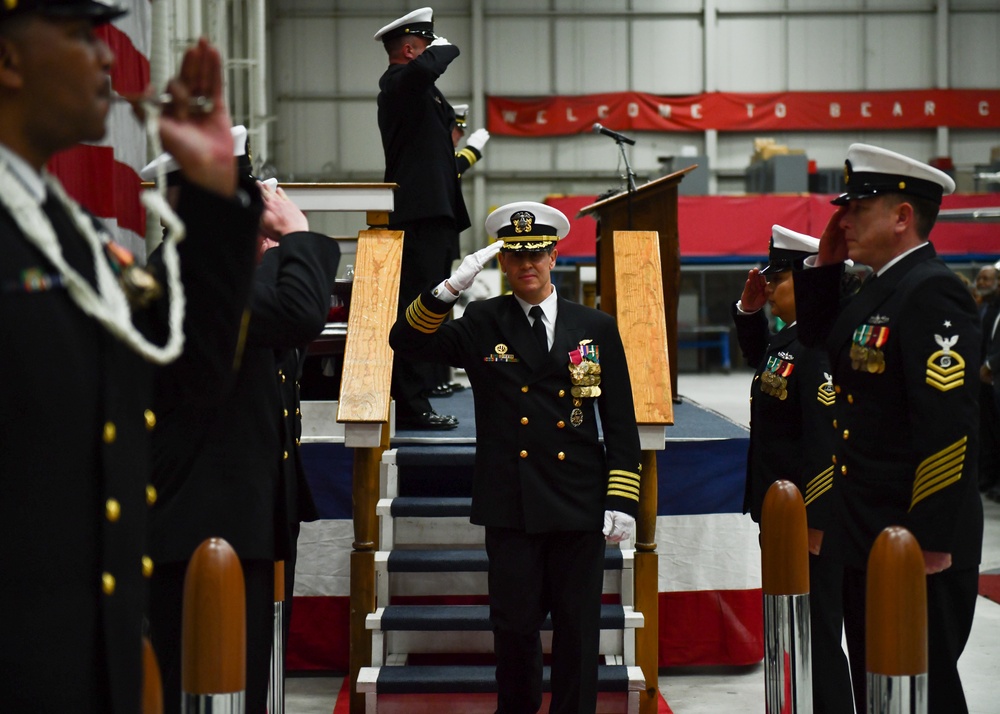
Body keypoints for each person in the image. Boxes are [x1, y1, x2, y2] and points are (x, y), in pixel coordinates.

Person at [0, 4, 261, 709]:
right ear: (9, 62)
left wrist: (211, 194)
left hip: (84, 667)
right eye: (81, 36)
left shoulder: (70, 233)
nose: (108, 56)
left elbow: (185, 376)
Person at [389, 201, 642, 713]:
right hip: (512, 503)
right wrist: (450, 288)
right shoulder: (483, 320)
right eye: (515, 256)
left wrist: (623, 497)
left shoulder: (595, 326)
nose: (527, 264)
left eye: (537, 253)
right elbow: (406, 341)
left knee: (577, 630)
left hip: (577, 501)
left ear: (554, 256)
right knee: (514, 629)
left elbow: (620, 421)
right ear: (503, 264)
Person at [794, 143, 983, 714]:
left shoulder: (931, 291)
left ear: (903, 216)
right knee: (878, 682)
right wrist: (824, 267)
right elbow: (819, 343)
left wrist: (929, 537)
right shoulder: (878, 287)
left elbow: (948, 426)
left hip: (912, 530)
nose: (843, 219)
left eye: (859, 207)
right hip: (866, 525)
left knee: (923, 684)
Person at [146, 152, 339, 712]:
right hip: (201, 524)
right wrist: (299, 236)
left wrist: (272, 253)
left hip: (240, 516)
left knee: (246, 682)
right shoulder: (185, 278)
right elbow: (300, 313)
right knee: (202, 686)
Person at [732, 225, 854, 714]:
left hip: (808, 520)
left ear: (804, 281)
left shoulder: (819, 346)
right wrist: (748, 310)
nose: (769, 287)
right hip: (783, 514)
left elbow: (827, 441)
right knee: (792, 630)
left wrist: (817, 521)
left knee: (818, 633)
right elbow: (760, 363)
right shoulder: (793, 339)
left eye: (776, 279)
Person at [376, 6, 466, 429]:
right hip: (418, 215)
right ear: (411, 49)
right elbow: (424, 72)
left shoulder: (417, 90)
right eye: (427, 44)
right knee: (416, 306)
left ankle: (424, 387)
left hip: (437, 213)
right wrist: (446, 49)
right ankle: (410, 404)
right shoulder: (396, 83)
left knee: (435, 305)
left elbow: (442, 124)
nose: (435, 50)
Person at [976, 265, 1000, 496]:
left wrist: (991, 364)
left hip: (994, 375)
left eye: (986, 278)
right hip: (985, 381)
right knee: (988, 432)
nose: (981, 282)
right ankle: (988, 477)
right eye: (979, 278)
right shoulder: (985, 308)